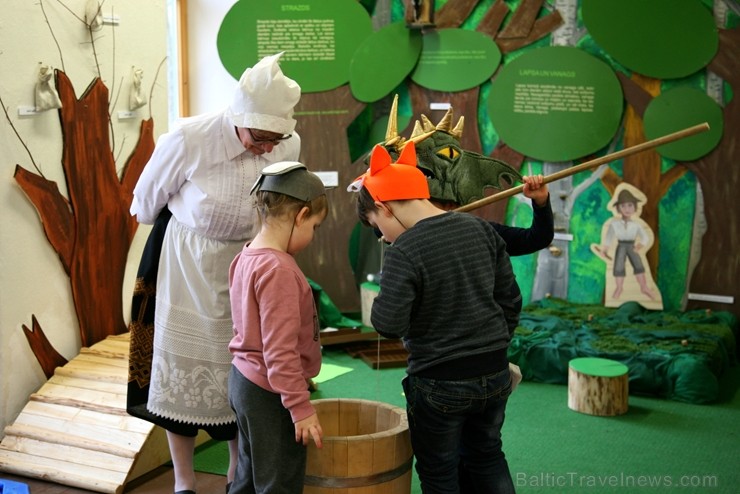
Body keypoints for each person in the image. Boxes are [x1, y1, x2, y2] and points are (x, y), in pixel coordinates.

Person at [127, 51, 301, 494]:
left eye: (274, 140)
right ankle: (183, 480)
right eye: (259, 138)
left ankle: (235, 471)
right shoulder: (190, 137)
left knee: (243, 366)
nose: (267, 148)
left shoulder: (285, 142)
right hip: (185, 262)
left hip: (248, 263)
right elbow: (144, 203)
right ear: (237, 118)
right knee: (182, 368)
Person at [348, 142, 519, 493]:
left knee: (439, 472)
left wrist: (388, 284)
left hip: (440, 381)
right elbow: (510, 301)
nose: (381, 236)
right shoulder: (482, 229)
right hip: (495, 371)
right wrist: (494, 346)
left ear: (383, 207)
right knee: (487, 455)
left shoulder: (404, 251)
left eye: (376, 225)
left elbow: (388, 324)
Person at [228, 162, 327, 493]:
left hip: (243, 380)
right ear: (300, 216)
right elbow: (279, 351)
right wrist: (299, 408)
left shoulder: (246, 256)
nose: (312, 237)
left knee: (250, 470)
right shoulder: (279, 270)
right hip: (270, 393)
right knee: (278, 481)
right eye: (314, 226)